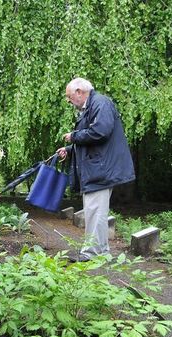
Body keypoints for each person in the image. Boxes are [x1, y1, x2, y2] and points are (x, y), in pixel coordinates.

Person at [56, 77, 135, 262]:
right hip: (98, 167)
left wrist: (73, 136)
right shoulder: (93, 106)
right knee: (95, 212)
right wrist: (69, 150)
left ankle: (92, 254)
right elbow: (92, 139)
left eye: (69, 96)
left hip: (101, 169)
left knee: (95, 212)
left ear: (79, 92)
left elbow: (100, 132)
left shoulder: (101, 103)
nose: (69, 101)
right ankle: (101, 252)